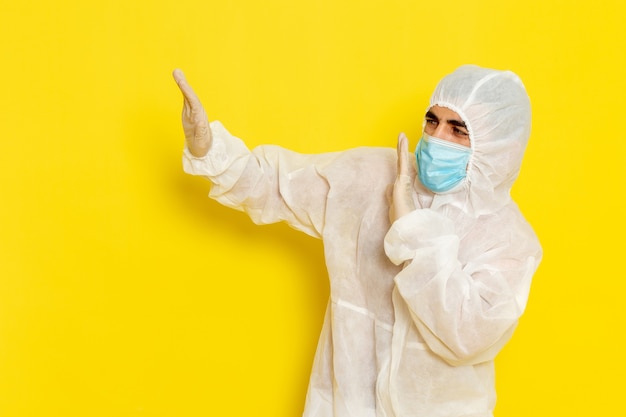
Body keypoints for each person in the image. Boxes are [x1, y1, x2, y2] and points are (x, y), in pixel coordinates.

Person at [173, 65, 542, 417]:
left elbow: (466, 335)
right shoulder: (371, 177)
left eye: (457, 130)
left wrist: (412, 230)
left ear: (497, 148)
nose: (435, 137)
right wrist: (209, 148)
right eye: (432, 120)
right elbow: (275, 186)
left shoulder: (509, 241)